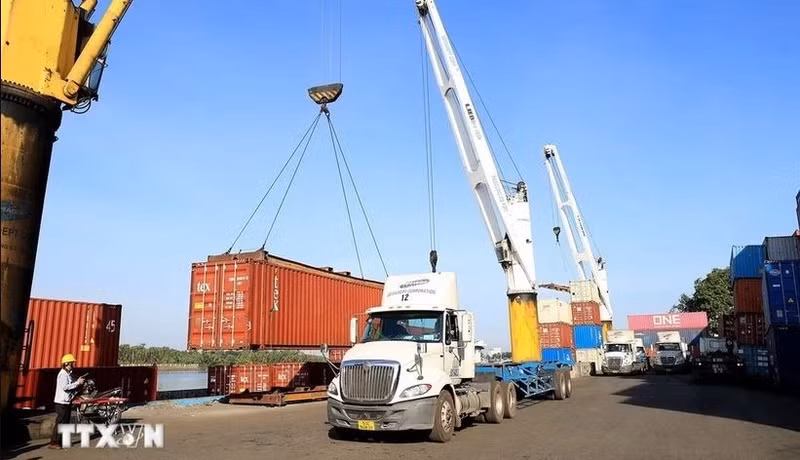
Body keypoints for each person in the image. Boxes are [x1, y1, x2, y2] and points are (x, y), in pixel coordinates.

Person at [49, 354, 84, 449]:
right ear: (66, 363)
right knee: (60, 422)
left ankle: (62, 442)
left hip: (66, 402)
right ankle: (54, 442)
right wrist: (77, 383)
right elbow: (65, 387)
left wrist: (77, 381)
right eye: (71, 363)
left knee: (65, 422)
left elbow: (72, 384)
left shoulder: (68, 374)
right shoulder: (63, 374)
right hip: (61, 402)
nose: (73, 364)